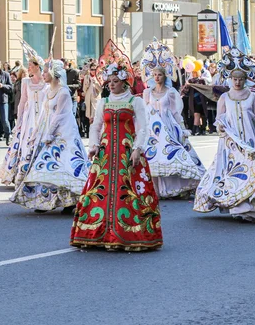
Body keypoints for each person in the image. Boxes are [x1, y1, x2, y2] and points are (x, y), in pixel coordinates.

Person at [71, 54, 163, 251]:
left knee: (127, 190)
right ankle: (98, 232)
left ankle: (128, 233)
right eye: (109, 82)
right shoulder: (103, 101)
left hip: (127, 152)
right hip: (106, 153)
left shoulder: (134, 101)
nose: (111, 85)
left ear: (124, 82)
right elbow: (95, 126)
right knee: (100, 191)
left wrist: (138, 149)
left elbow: (143, 128)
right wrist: (94, 146)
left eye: (115, 81)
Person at [193, 50, 255, 222]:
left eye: (240, 79)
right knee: (233, 171)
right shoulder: (224, 97)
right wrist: (221, 130)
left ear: (246, 80)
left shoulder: (254, 97)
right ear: (230, 80)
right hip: (232, 143)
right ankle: (238, 206)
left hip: (250, 140)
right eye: (234, 79)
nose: (237, 82)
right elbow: (219, 119)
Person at [11, 60, 89, 213]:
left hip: (64, 135)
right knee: (44, 165)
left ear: (55, 74)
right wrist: (35, 133)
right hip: (48, 131)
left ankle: (70, 201)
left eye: (46, 72)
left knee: (64, 166)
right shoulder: (47, 91)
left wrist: (49, 134)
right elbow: (44, 113)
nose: (43, 74)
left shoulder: (64, 92)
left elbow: (60, 116)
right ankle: (44, 199)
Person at [142, 66, 205, 199]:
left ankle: (180, 186)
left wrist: (181, 128)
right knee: (153, 158)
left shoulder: (170, 92)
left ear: (165, 76)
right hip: (153, 130)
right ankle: (156, 190)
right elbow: (145, 111)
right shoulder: (147, 92)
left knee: (175, 154)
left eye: (159, 74)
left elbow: (176, 112)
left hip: (168, 127)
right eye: (155, 75)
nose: (157, 77)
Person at [0, 57, 45, 185]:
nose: (28, 67)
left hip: (42, 116)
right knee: (26, 144)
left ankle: (41, 172)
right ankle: (24, 173)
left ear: (37, 66)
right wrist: (19, 121)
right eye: (28, 65)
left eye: (31, 65)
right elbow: (22, 102)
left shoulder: (46, 82)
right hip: (29, 118)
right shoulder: (25, 81)